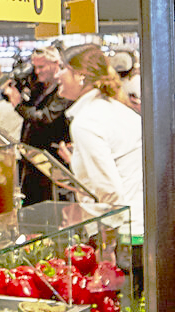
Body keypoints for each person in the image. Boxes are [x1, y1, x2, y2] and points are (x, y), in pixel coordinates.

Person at [58, 46, 145, 217]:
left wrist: (108, 235)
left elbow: (110, 192)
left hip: (121, 229)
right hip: (139, 220)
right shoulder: (116, 109)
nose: (57, 75)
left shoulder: (86, 121)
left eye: (63, 69)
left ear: (80, 75)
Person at [13, 44, 72, 205]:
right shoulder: (39, 86)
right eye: (35, 67)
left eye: (41, 67)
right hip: (33, 159)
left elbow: (45, 118)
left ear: (56, 64)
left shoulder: (64, 90)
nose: (37, 71)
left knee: (52, 207)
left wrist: (19, 106)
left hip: (52, 161)